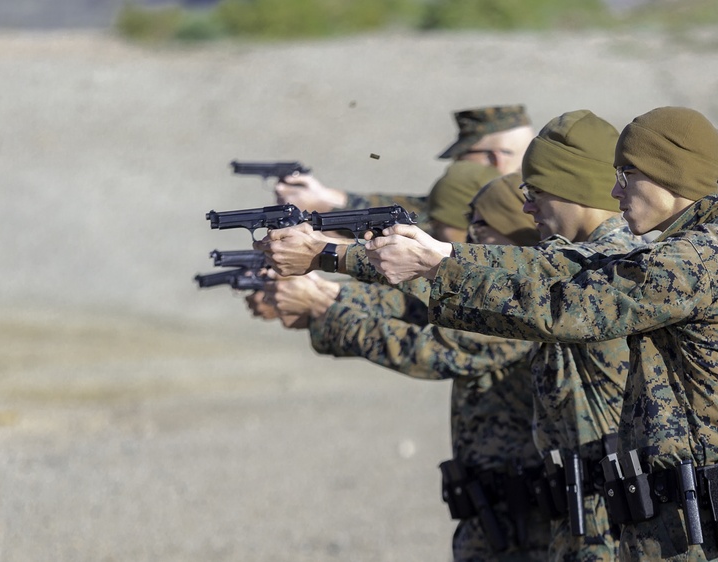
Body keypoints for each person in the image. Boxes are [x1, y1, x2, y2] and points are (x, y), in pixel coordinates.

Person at [258, 109, 642, 561]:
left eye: (536, 191)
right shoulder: (568, 264)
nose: (528, 206)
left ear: (570, 185)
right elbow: (425, 301)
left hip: (601, 520)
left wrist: (329, 277)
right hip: (566, 511)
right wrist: (326, 293)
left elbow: (444, 342)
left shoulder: (606, 266)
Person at [267, 166, 552, 561]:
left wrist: (326, 305)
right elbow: (411, 306)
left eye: (481, 234)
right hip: (496, 506)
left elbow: (433, 349)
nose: (466, 243)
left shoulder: (514, 307)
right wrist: (327, 298)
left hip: (531, 513)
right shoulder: (492, 294)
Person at [275, 105, 536, 219]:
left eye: (463, 157)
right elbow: (420, 207)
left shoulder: (519, 206)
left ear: (495, 158)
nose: (455, 164)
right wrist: (333, 197)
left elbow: (428, 228)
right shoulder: (523, 195)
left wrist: (327, 211)